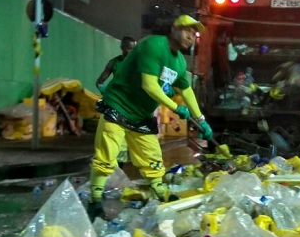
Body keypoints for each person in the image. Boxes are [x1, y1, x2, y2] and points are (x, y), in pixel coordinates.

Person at [87, 15, 213, 218]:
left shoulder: (180, 62)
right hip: (118, 105)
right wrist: (175, 107)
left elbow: (186, 90)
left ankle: (160, 192)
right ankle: (94, 200)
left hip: (141, 115)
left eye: (194, 32)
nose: (190, 35)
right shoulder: (153, 45)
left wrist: (201, 120)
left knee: (152, 156)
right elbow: (149, 85)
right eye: (186, 29)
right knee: (107, 156)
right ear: (173, 28)